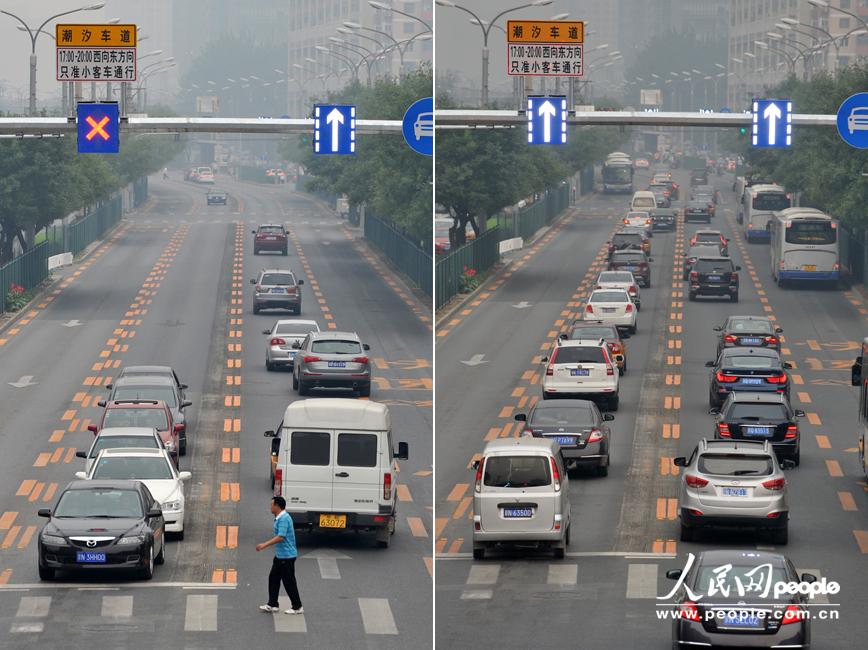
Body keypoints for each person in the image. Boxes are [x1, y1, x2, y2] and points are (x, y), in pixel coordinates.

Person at [256, 496, 303, 614]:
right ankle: (272, 604)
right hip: (280, 556)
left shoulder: (283, 519)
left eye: (272, 504)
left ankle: (297, 606)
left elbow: (281, 537)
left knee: (289, 582)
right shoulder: (280, 518)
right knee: (273, 579)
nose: (270, 507)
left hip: (287, 556)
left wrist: (264, 545)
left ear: (277, 506)